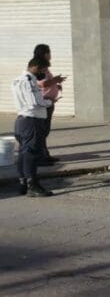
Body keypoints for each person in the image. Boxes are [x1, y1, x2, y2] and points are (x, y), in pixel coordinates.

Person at [11, 57, 54, 197]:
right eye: (42, 70)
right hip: (31, 121)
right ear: (35, 66)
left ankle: (23, 183)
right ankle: (33, 185)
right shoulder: (29, 81)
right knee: (31, 154)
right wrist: (49, 102)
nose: (43, 73)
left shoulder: (17, 80)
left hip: (22, 120)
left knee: (24, 153)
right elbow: (35, 102)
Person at [32, 44, 65, 165]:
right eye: (49, 52)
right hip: (44, 102)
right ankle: (40, 157)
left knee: (45, 130)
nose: (50, 55)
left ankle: (45, 154)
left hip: (49, 102)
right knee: (42, 131)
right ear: (44, 53)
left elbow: (47, 83)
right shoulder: (38, 67)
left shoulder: (45, 67)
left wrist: (56, 84)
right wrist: (55, 81)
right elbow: (42, 84)